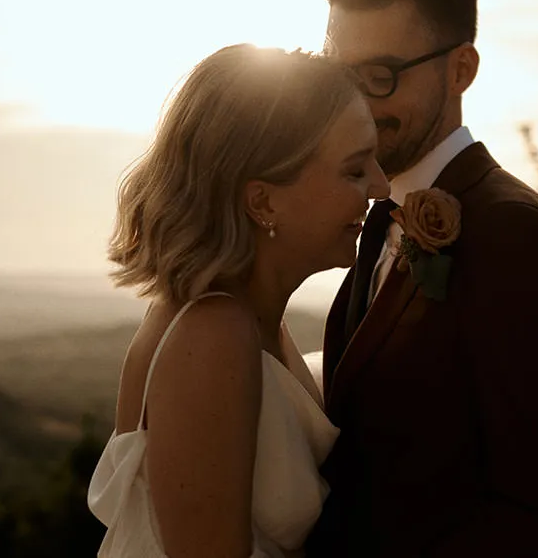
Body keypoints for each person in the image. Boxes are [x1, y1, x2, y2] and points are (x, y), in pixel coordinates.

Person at [308, 0, 538, 558]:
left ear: (461, 69)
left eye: (381, 76)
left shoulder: (511, 232)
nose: (357, 102)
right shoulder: (374, 217)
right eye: (341, 76)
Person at [87, 44, 391, 558]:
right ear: (263, 201)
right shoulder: (213, 334)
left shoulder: (256, 320)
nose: (381, 186)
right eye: (355, 170)